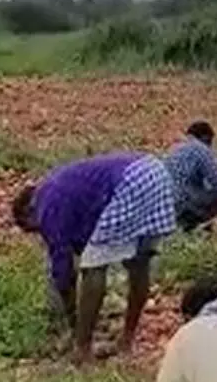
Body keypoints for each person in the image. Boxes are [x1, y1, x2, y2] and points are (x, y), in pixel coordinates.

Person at [11, 151, 176, 365]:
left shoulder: (45, 206)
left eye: (33, 229)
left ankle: (82, 350)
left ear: (27, 213)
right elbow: (88, 229)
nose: (41, 233)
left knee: (94, 268)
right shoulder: (61, 187)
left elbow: (63, 268)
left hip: (130, 180)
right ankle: (126, 341)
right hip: (155, 171)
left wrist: (71, 313)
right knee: (139, 261)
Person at [165, 121, 217, 232]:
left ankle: (186, 224)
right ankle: (198, 223)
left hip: (165, 206)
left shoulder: (175, 148)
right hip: (184, 204)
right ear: (206, 138)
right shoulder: (201, 149)